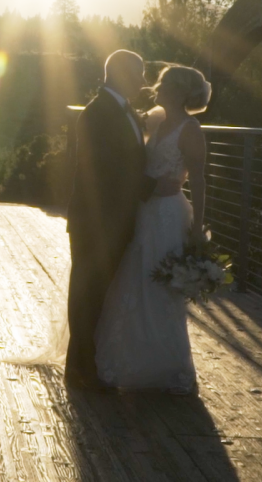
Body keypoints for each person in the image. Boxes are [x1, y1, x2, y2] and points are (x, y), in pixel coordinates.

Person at [64, 50, 180, 389]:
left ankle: (85, 367)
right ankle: (80, 371)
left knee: (96, 294)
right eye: (139, 74)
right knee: (86, 293)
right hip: (96, 219)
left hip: (114, 218)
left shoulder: (122, 111)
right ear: (121, 74)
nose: (143, 82)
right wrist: (153, 185)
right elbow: (104, 168)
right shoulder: (97, 113)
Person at [93, 64, 211, 393]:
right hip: (142, 210)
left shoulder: (191, 129)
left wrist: (198, 229)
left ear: (175, 91)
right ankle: (125, 359)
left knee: (159, 289)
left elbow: (199, 181)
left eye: (161, 84)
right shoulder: (155, 120)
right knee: (131, 282)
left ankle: (165, 367)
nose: (154, 88)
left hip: (169, 215)